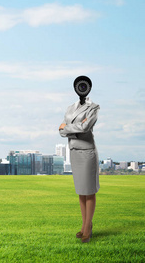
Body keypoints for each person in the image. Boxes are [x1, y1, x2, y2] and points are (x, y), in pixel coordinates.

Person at [59, 76, 100, 243]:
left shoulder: (94, 107)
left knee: (89, 191)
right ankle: (84, 226)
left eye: (84, 85)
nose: (81, 88)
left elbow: (85, 127)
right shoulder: (70, 108)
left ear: (88, 87)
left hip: (87, 152)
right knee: (81, 191)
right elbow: (60, 131)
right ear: (75, 87)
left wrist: (68, 128)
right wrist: (72, 128)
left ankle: (88, 228)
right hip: (74, 151)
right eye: (79, 85)